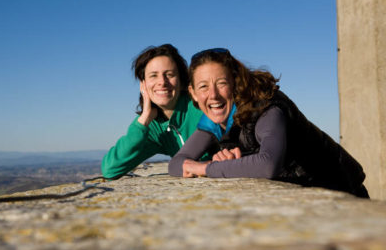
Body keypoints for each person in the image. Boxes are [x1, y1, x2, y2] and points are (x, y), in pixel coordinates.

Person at [168, 48, 369, 198]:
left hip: (343, 192)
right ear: (193, 93)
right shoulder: (214, 121)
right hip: (305, 197)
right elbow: (176, 164)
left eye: (221, 83)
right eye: (203, 86)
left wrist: (206, 169)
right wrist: (224, 164)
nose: (213, 95)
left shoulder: (266, 108)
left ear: (235, 84)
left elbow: (268, 164)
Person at [102, 44, 205, 179]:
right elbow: (110, 169)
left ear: (181, 80)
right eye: (153, 76)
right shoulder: (153, 127)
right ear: (143, 84)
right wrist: (143, 121)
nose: (162, 82)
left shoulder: (200, 106)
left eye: (169, 74)